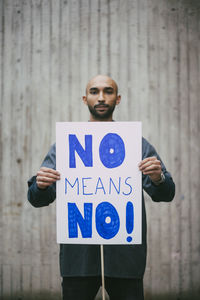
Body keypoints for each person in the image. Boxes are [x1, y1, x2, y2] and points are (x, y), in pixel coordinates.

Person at [27, 75, 175, 300]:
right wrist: (40, 185)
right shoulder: (68, 144)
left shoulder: (135, 143)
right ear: (85, 98)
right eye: (95, 92)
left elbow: (166, 193)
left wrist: (158, 178)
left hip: (126, 261)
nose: (102, 97)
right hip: (78, 261)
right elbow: (36, 198)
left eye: (108, 91)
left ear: (118, 99)